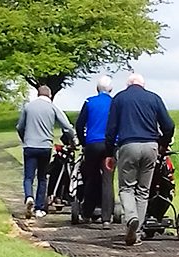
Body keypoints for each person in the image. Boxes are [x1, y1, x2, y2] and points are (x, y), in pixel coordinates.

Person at [104, 73, 175, 246]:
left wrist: (109, 152)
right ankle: (136, 232)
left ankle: (131, 218)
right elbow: (169, 125)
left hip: (128, 145)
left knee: (126, 188)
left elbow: (111, 129)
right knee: (143, 191)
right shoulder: (154, 98)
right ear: (143, 84)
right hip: (151, 146)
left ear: (128, 84)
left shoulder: (119, 99)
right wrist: (163, 145)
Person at [16, 85, 76, 219]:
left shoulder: (28, 107)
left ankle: (28, 197)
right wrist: (73, 140)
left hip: (29, 146)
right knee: (42, 178)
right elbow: (67, 127)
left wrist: (24, 138)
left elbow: (20, 127)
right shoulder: (53, 107)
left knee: (28, 177)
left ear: (38, 94)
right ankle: (39, 208)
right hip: (45, 147)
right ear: (49, 95)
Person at [75, 76, 114, 229]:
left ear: (97, 88)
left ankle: (87, 213)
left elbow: (79, 125)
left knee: (91, 178)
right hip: (109, 145)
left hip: (92, 144)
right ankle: (106, 218)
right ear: (110, 89)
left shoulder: (89, 102)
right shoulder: (114, 103)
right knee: (107, 180)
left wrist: (83, 142)